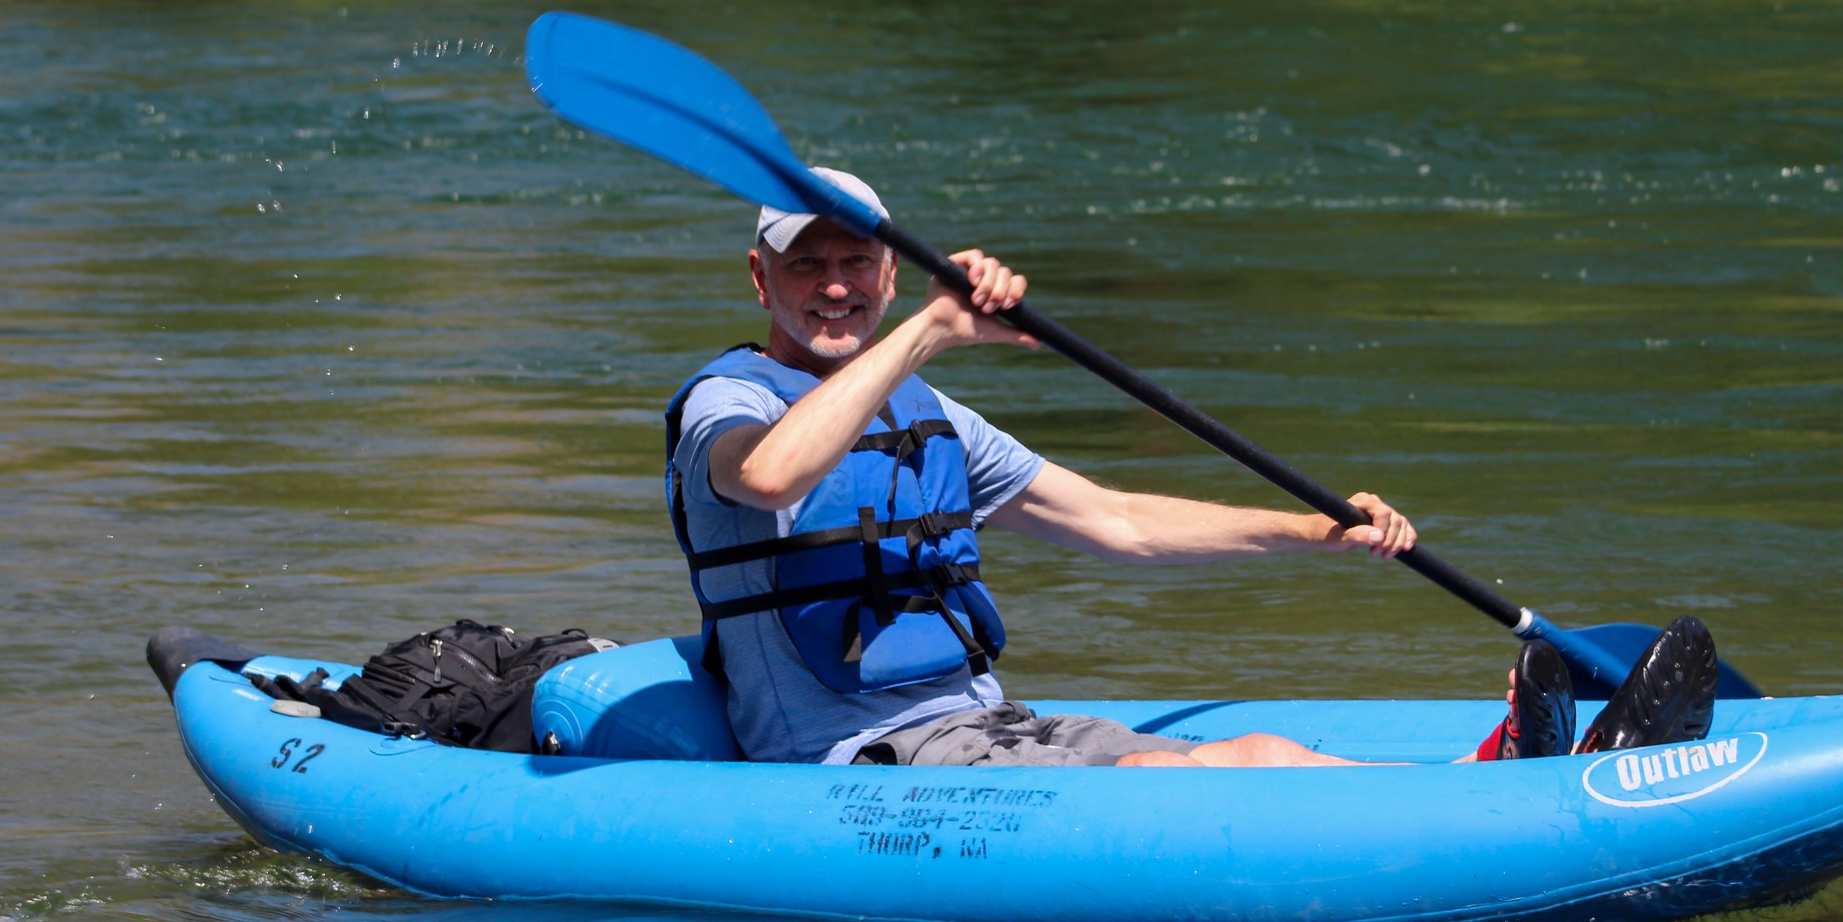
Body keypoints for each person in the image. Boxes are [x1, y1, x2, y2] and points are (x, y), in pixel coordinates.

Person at [664, 168, 1717, 769]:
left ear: (889, 270)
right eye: (808, 263)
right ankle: (1513, 802)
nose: (835, 286)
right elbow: (770, 479)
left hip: (987, 724)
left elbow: (1117, 520)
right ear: (761, 276)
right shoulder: (729, 400)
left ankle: (1495, 781)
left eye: (856, 260)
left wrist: (1317, 530)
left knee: (1265, 755)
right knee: (1169, 777)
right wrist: (933, 330)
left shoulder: (928, 415)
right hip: (863, 763)